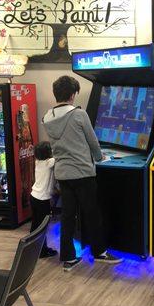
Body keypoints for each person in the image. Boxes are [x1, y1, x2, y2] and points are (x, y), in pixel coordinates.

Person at [43, 75, 122, 271]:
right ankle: (100, 253)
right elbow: (93, 142)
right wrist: (100, 157)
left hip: (63, 174)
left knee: (68, 216)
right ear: (72, 94)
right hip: (83, 173)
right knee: (92, 213)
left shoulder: (47, 117)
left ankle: (68, 258)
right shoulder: (79, 115)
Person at [30, 141, 58, 258]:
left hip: (34, 196)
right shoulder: (49, 163)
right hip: (42, 200)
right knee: (42, 226)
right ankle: (42, 251)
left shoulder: (38, 162)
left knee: (35, 224)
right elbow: (60, 157)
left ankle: (32, 248)